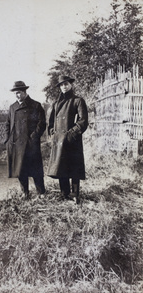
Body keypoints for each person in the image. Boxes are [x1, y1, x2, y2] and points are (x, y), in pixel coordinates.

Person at [47, 75, 88, 204]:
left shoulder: (78, 101)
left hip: (72, 141)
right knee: (61, 167)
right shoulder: (56, 103)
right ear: (59, 87)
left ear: (71, 85)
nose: (64, 87)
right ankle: (64, 194)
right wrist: (53, 134)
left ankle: (75, 194)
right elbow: (51, 122)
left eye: (66, 84)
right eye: (61, 85)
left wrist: (71, 134)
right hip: (59, 140)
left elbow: (83, 121)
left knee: (74, 167)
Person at [5, 80, 46, 199]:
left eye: (19, 92)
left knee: (36, 170)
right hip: (17, 143)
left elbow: (42, 123)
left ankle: (41, 193)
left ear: (24, 92)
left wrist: (33, 137)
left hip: (31, 144)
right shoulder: (13, 107)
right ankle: (25, 193)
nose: (17, 95)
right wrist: (8, 139)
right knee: (20, 170)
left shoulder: (35, 105)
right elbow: (7, 124)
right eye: (15, 93)